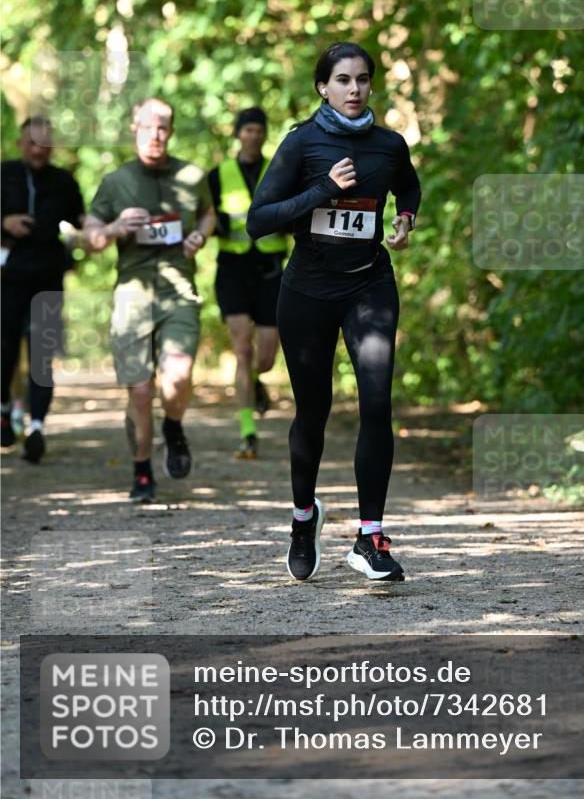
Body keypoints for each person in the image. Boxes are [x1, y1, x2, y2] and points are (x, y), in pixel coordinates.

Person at [247, 42, 421, 582]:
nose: (355, 89)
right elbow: (259, 220)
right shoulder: (302, 142)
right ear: (323, 86)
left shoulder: (388, 145)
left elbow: (408, 183)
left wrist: (406, 216)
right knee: (313, 411)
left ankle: (371, 537)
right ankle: (304, 518)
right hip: (307, 291)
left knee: (376, 402)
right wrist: (323, 189)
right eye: (343, 80)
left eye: (363, 80)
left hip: (369, 285)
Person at [82, 98, 215, 504]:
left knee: (177, 377)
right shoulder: (115, 182)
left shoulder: (192, 175)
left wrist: (200, 235)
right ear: (133, 127)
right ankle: (142, 472)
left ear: (171, 131)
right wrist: (116, 227)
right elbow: (89, 239)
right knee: (140, 393)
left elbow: (208, 214)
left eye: (162, 128)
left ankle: (173, 427)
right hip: (133, 296)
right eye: (147, 127)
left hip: (179, 290)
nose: (155, 135)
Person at [1, 116, 85, 463]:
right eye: (32, 142)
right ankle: (4, 410)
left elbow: (83, 222)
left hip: (48, 276)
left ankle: (36, 427)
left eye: (45, 143)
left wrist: (103, 231)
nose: (38, 149)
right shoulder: (4, 174)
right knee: (4, 348)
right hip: (8, 276)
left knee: (42, 354)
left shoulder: (65, 182)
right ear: (21, 144)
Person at [208, 108, 287, 459]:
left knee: (266, 357)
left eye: (259, 130)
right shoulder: (218, 174)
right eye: (248, 130)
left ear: (265, 134)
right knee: (242, 348)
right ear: (238, 134)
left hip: (271, 271)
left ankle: (257, 381)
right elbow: (204, 215)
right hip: (233, 271)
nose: (253, 135)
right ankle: (248, 431)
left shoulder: (282, 170)